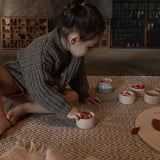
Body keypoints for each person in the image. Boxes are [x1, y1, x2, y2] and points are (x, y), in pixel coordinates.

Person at [0, 0, 105, 135]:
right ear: (74, 40)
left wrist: (84, 95)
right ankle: (1, 118)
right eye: (90, 46)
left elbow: (77, 76)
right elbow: (39, 87)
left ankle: (25, 108)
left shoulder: (75, 53)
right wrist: (66, 109)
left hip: (41, 92)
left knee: (73, 97)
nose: (91, 50)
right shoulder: (42, 49)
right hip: (18, 81)